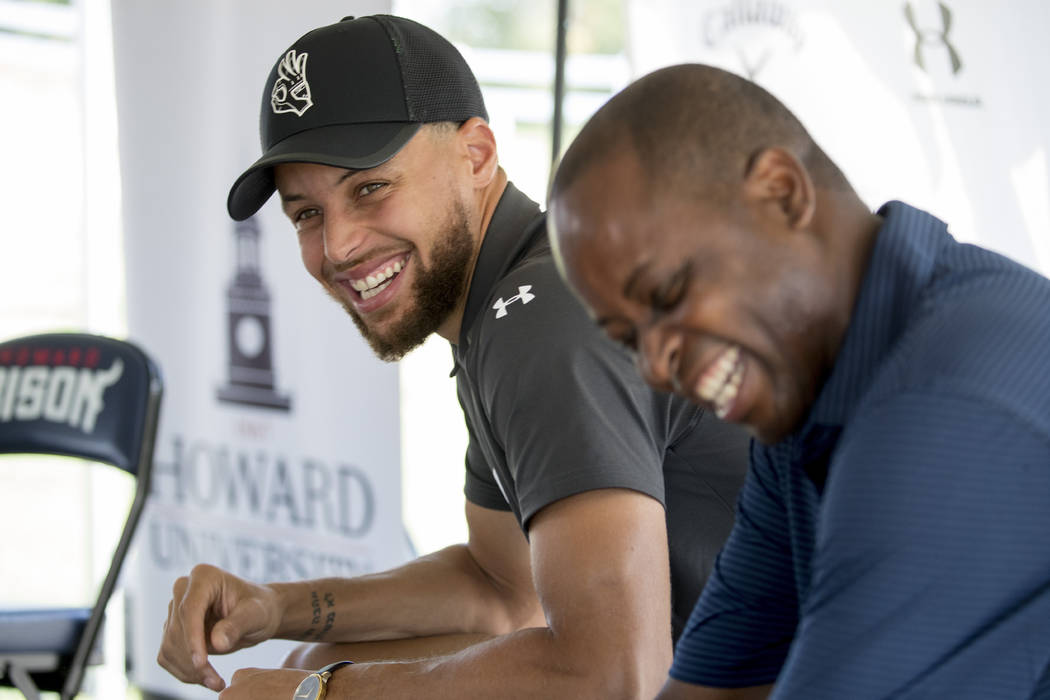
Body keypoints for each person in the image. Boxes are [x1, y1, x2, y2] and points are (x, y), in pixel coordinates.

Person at [156, 16, 750, 700]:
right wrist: (276, 607)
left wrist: (317, 696)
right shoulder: (517, 297)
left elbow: (614, 678)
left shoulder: (543, 321)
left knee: (313, 677)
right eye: (306, 215)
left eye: (370, 188)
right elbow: (502, 588)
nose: (340, 246)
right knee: (314, 660)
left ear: (476, 155)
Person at [547, 63, 1050, 699]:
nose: (654, 366)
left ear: (782, 193)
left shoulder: (946, 414)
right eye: (628, 339)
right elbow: (711, 689)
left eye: (669, 294)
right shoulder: (809, 401)